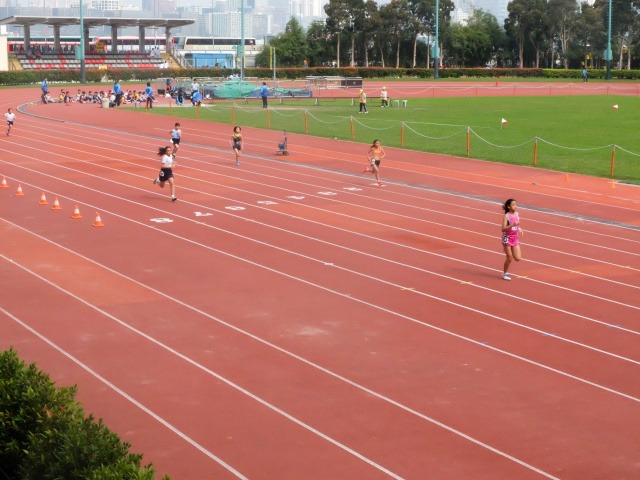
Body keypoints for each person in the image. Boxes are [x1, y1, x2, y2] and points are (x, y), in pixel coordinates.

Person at [501, 198, 523, 281]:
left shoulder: (517, 214)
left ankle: (507, 250)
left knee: (517, 258)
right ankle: (504, 273)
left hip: (515, 238)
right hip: (507, 237)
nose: (515, 206)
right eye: (513, 205)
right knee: (509, 257)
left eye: (516, 205)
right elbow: (503, 229)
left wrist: (519, 229)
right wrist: (512, 225)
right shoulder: (507, 216)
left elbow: (517, 224)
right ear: (509, 207)